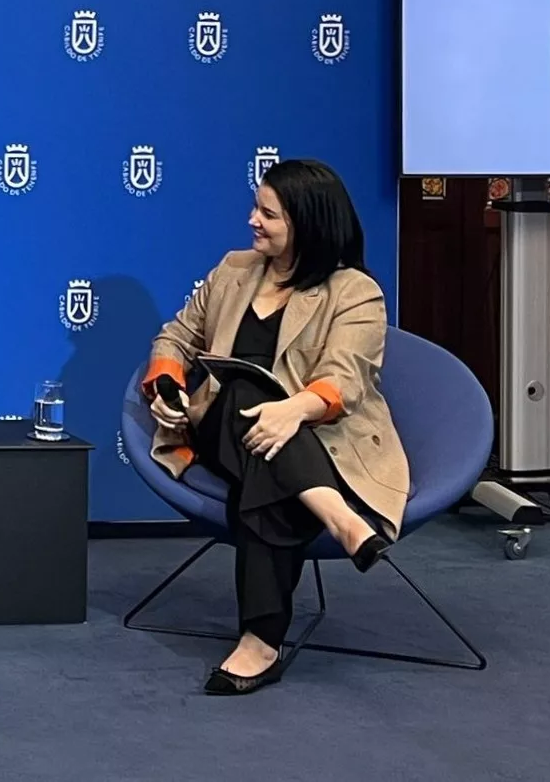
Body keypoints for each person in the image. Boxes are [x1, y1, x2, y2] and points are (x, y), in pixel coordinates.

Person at [140, 158, 408, 696]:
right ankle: (339, 517)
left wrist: (294, 410)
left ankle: (260, 641)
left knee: (267, 470)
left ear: (307, 224)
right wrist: (167, 387)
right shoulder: (234, 270)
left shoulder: (354, 291)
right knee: (244, 394)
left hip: (316, 438)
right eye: (257, 208)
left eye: (269, 214)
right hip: (221, 426)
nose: (252, 221)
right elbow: (177, 337)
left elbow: (345, 377)